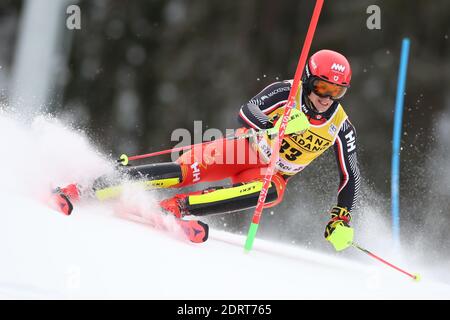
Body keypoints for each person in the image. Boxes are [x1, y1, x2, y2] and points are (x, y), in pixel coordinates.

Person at [52, 49, 360, 249]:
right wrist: (272, 126)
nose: (327, 98)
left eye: (337, 91)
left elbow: (350, 176)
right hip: (244, 148)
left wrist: (340, 218)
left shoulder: (341, 126)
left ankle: (177, 207)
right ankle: (86, 188)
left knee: (273, 192)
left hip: (269, 172)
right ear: (309, 81)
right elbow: (247, 110)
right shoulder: (287, 92)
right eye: (322, 87)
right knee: (186, 171)